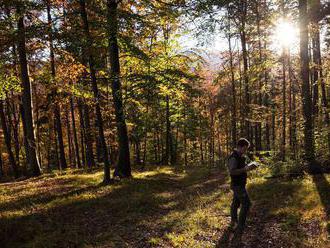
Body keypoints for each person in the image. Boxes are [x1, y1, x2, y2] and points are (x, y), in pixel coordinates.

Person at [227, 138, 258, 234]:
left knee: (236, 203)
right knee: (246, 204)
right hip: (237, 185)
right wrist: (246, 168)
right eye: (244, 148)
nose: (245, 151)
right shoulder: (234, 157)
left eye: (246, 149)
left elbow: (242, 168)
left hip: (239, 184)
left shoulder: (240, 156)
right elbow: (232, 171)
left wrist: (251, 165)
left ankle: (234, 222)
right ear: (239, 147)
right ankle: (240, 226)